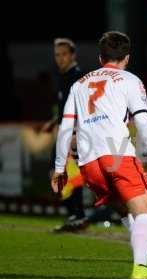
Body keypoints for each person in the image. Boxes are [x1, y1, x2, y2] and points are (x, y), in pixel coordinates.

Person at [51, 31, 147, 279]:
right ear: (127, 58)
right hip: (117, 154)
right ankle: (141, 268)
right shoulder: (129, 79)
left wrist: (60, 167)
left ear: (101, 58)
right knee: (146, 213)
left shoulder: (78, 84)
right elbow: (143, 120)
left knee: (130, 214)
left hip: (89, 163)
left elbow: (66, 128)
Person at [43, 38, 87, 232]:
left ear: (72, 55)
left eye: (64, 54)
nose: (60, 58)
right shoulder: (64, 76)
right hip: (65, 132)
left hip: (73, 134)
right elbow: (64, 108)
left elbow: (82, 107)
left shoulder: (77, 77)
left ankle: (77, 215)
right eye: (57, 55)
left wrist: (76, 132)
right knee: (63, 174)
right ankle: (76, 215)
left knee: (63, 173)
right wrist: (54, 121)